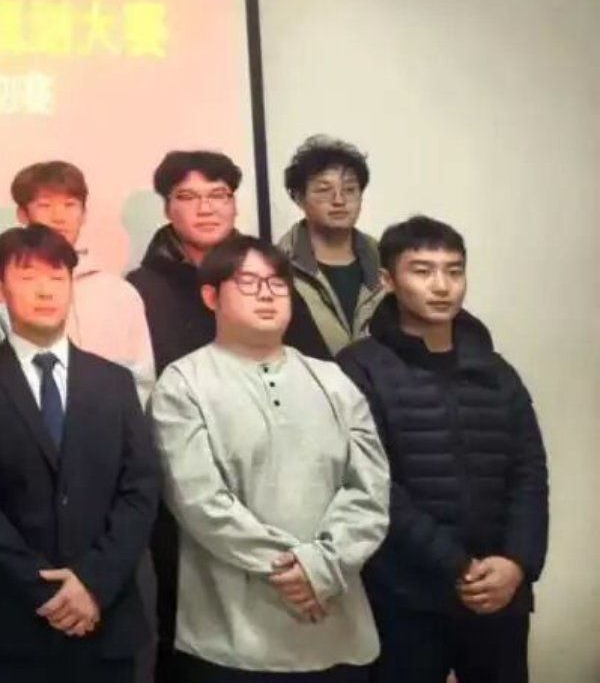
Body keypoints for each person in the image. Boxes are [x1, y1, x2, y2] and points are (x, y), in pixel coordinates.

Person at [150, 236, 389, 683]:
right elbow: (198, 501)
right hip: (232, 640)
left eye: (277, 283)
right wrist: (299, 570)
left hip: (337, 629)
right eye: (248, 282)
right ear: (210, 296)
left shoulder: (334, 380)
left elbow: (370, 489)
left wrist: (322, 567)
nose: (266, 294)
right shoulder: (182, 383)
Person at [127, 151, 327, 683]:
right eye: (188, 197)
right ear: (167, 209)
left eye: (219, 195)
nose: (206, 208)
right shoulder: (140, 289)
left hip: (282, 485)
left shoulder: (271, 281)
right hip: (186, 488)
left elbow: (314, 378)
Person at [339, 217, 548, 683]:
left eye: (454, 271)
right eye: (422, 270)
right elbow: (372, 483)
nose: (442, 286)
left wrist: (517, 563)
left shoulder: (495, 370)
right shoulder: (359, 368)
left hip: (500, 591)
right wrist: (458, 565)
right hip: (405, 595)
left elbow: (529, 472)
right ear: (388, 280)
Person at [0, 225, 160, 683]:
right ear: (0, 292)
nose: (45, 291)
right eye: (27, 278)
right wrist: (40, 587)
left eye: (57, 277)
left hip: (105, 615)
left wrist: (93, 583)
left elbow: (140, 490)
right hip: (12, 620)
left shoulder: (113, 382)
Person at [0, 161, 155, 404]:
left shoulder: (120, 292)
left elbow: (142, 378)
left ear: (84, 214)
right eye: (45, 206)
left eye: (70, 205)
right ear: (22, 214)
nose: (59, 217)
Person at [280, 137, 384, 357]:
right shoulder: (276, 265)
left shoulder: (387, 259)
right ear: (299, 198)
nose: (339, 200)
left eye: (350, 189)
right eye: (323, 190)